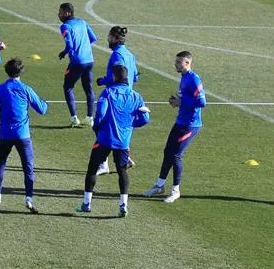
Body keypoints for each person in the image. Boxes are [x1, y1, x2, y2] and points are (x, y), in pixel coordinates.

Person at [77, 65, 150, 218]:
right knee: (122, 171)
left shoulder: (108, 92)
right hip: (123, 142)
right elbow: (145, 118)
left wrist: (97, 127)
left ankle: (86, 203)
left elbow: (100, 114)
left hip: (104, 139)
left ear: (114, 77)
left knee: (92, 169)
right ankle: (123, 205)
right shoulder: (136, 96)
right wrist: (130, 125)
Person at [0, 58, 48, 213]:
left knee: (0, 163)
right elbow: (42, 109)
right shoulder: (26, 89)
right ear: (21, 72)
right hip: (22, 135)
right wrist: (44, 102)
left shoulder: (1, 89)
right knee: (28, 167)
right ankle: (28, 198)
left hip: (5, 134)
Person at [143, 51, 206, 203]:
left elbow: (202, 102)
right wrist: (177, 101)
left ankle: (175, 190)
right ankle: (159, 185)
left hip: (190, 125)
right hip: (180, 122)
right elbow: (188, 99)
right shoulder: (184, 77)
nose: (175, 64)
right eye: (176, 61)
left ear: (187, 63)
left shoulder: (193, 79)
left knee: (176, 155)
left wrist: (181, 102)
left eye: (179, 62)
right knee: (168, 152)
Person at [95, 26, 139, 176]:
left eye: (109, 36)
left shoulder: (116, 56)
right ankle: (124, 158)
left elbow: (115, 76)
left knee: (104, 128)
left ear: (115, 38)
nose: (107, 39)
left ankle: (103, 163)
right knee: (121, 129)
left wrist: (102, 81)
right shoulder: (130, 55)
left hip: (115, 97)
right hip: (128, 97)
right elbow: (136, 76)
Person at [58, 2, 98, 127]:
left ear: (67, 13)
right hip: (89, 61)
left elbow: (69, 45)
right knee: (88, 88)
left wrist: (63, 53)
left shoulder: (65, 26)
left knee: (68, 87)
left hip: (77, 62)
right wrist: (84, 47)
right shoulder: (82, 22)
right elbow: (93, 38)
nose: (58, 15)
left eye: (60, 12)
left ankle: (74, 118)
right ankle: (90, 118)